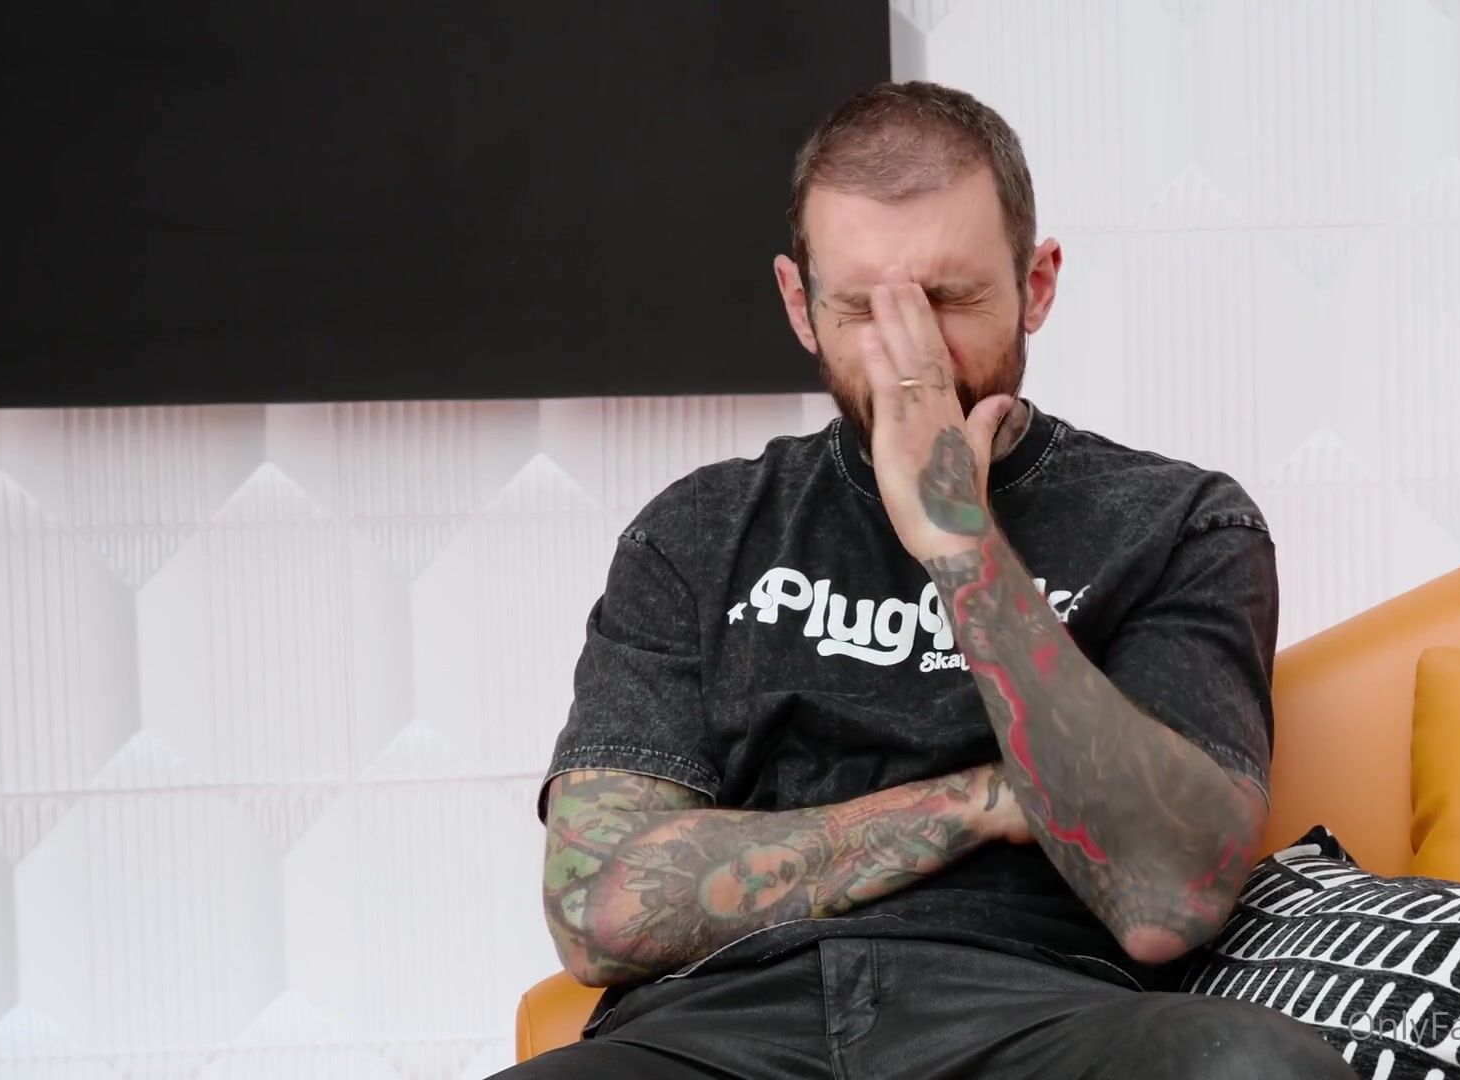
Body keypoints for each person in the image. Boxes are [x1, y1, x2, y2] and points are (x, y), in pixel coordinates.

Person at [491, 81, 1355, 1080]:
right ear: (799, 305)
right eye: (862, 307)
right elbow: (597, 908)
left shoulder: (1179, 523)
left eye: (948, 300)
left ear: (1036, 285)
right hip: (723, 1024)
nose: (912, 355)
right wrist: (990, 798)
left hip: (1036, 1012)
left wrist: (959, 543)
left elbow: (1169, 897)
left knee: (1254, 1067)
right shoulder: (695, 533)